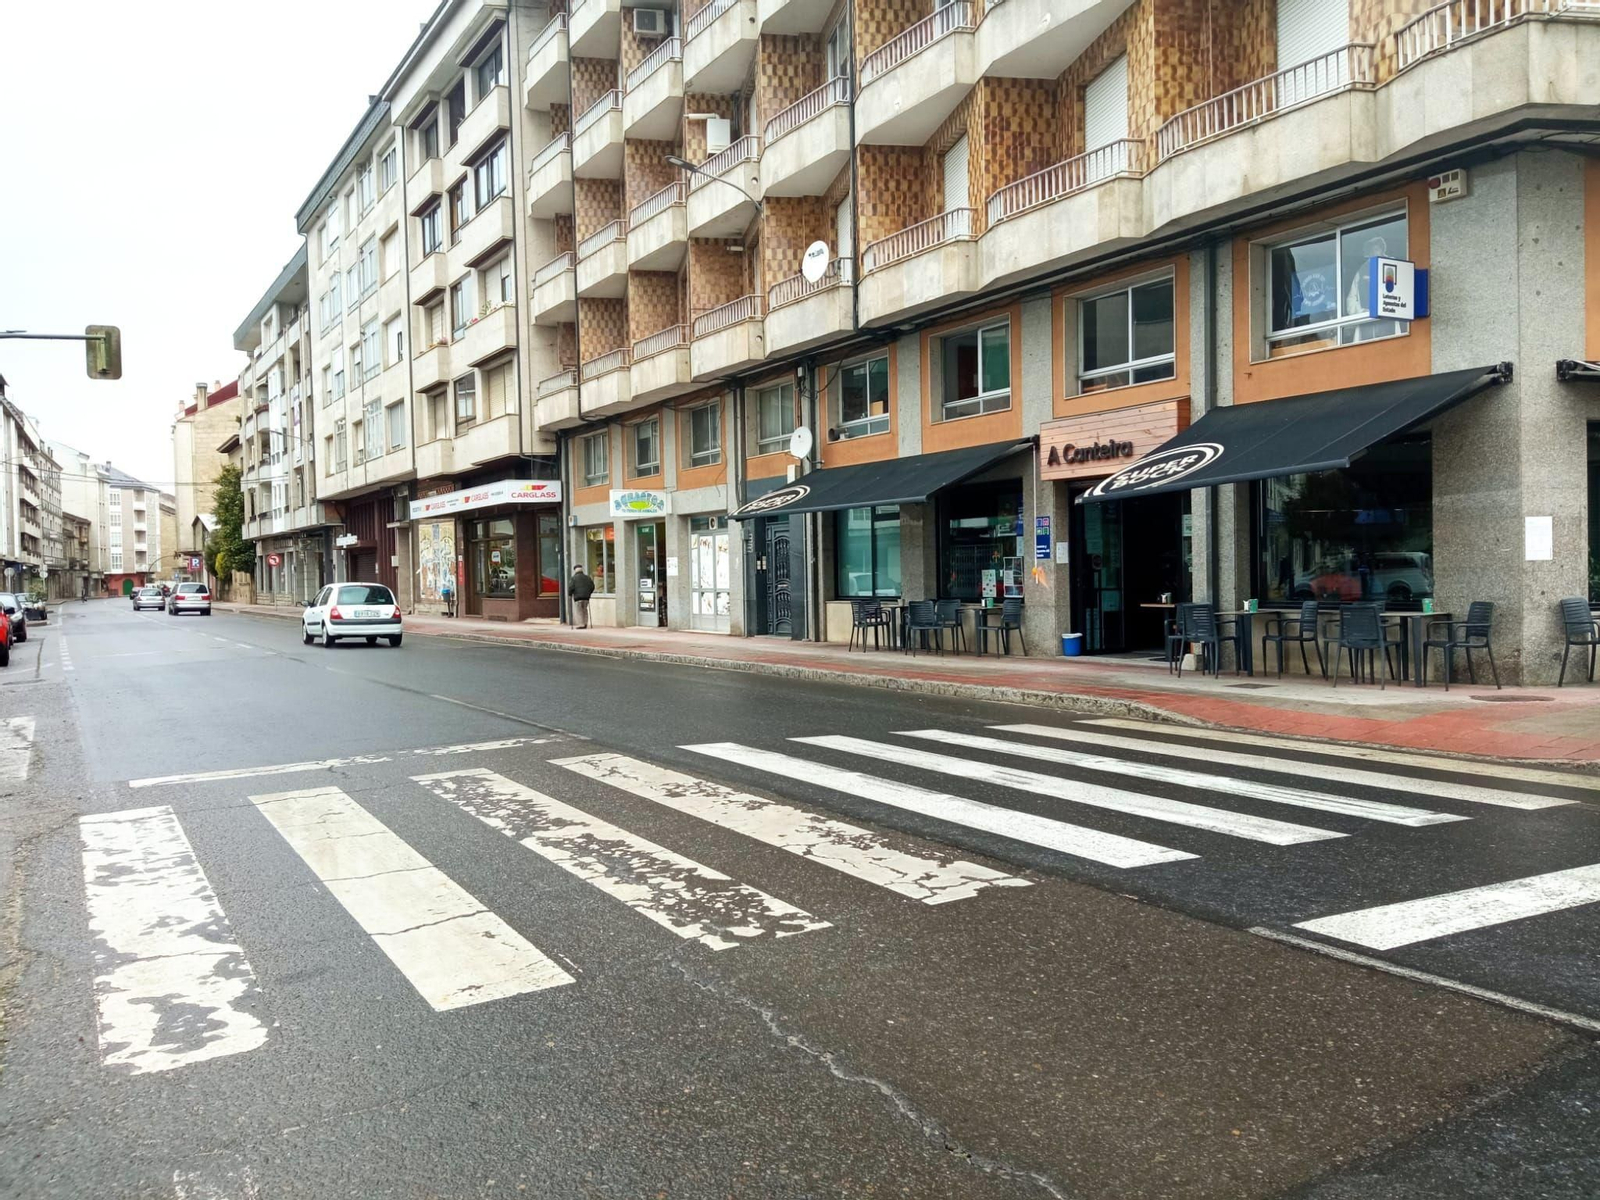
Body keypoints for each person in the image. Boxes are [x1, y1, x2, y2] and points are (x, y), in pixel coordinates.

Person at [568, 564, 595, 629]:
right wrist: (589, 593)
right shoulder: (587, 577)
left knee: (579, 610)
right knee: (585, 610)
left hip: (578, 597)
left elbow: (571, 587)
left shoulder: (573, 578)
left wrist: (570, 594)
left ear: (575, 570)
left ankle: (581, 624)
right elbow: (592, 586)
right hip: (586, 597)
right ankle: (585, 623)